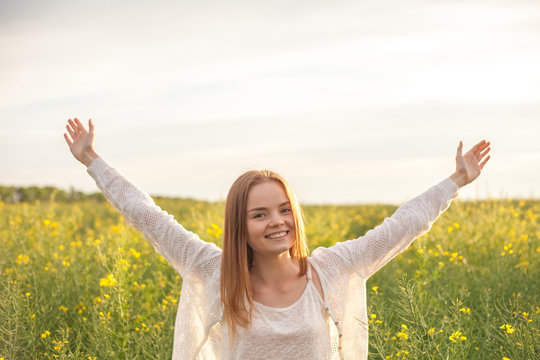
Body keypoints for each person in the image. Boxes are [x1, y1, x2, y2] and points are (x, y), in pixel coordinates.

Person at [64, 118, 490, 360]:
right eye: (260, 214)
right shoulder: (213, 270)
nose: (278, 222)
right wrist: (92, 160)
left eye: (285, 209)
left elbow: (401, 226)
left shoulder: (330, 270)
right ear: (239, 225)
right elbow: (147, 216)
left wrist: (456, 180)